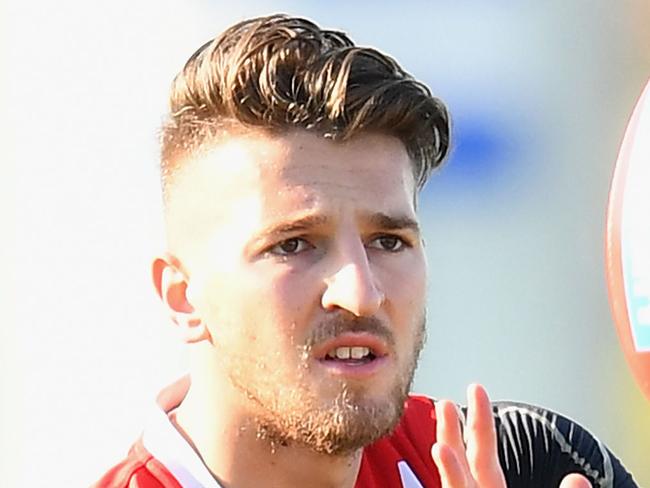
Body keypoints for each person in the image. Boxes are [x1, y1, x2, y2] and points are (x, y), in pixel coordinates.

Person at [94, 14, 637, 488]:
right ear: (183, 297)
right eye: (294, 244)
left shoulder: (528, 465)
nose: (360, 292)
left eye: (388, 242)